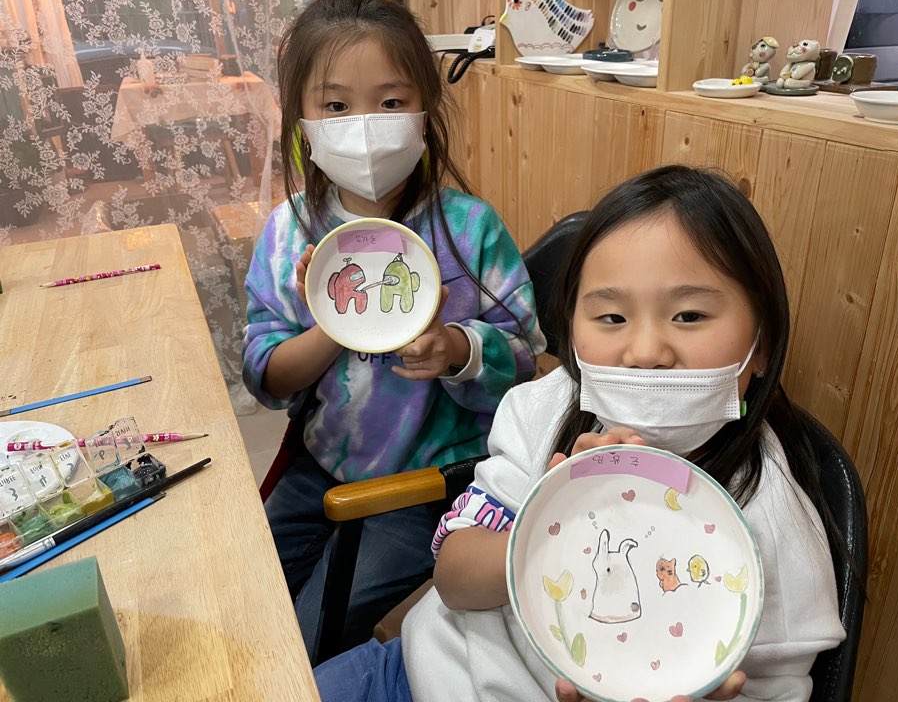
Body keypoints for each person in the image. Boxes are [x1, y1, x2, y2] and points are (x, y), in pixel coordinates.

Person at [312, 165, 847, 702]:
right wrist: (553, 519)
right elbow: (453, 581)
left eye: (688, 316)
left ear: (763, 342)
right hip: (414, 671)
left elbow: (775, 686)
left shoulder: (774, 526)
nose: (645, 353)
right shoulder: (544, 410)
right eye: (611, 317)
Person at [242, 0, 545, 653]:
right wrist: (330, 322)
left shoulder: (469, 228)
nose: (364, 126)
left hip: (425, 483)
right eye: (336, 106)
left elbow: (526, 358)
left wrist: (456, 349)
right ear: (303, 122)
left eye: (389, 101)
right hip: (321, 463)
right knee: (246, 604)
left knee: (308, 637)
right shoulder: (290, 234)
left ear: (424, 112)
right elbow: (265, 375)